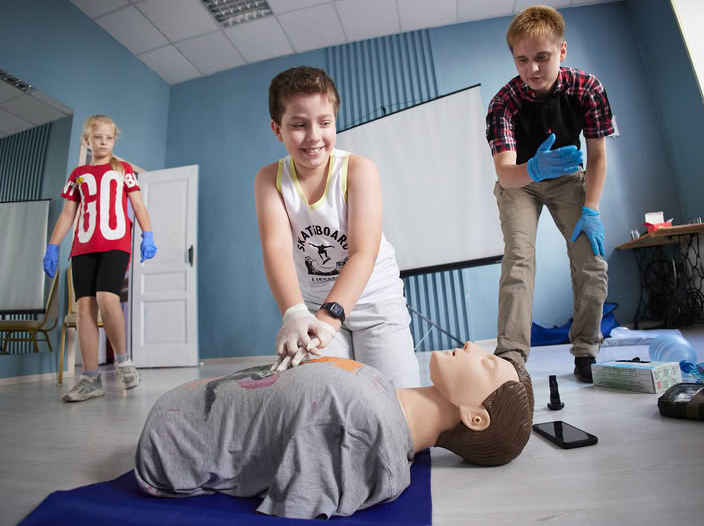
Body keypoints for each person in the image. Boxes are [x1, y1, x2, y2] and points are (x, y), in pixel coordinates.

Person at [134, 343, 534, 520]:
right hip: (179, 415)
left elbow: (298, 501)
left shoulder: (376, 441)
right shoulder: (379, 389)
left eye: (486, 365)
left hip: (170, 447)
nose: (471, 345)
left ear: (475, 417)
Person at [254, 66, 420, 387]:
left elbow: (363, 252)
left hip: (375, 304)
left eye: (324, 122)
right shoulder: (268, 179)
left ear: (335, 120)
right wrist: (294, 314)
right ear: (277, 129)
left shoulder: (359, 169)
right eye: (299, 125)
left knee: (395, 398)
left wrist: (330, 317)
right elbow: (275, 249)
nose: (314, 136)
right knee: (320, 395)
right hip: (313, 309)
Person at [485, 5, 615, 382]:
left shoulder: (588, 89)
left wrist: (591, 209)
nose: (532, 70)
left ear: (562, 50)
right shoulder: (503, 103)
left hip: (567, 176)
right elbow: (506, 174)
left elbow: (598, 154)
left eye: (542, 57)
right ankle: (511, 358)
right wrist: (534, 168)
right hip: (520, 181)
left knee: (591, 262)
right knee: (519, 261)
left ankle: (587, 350)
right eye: (522, 60)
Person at [42, 114, 157, 402]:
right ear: (87, 140)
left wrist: (148, 234)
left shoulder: (123, 170)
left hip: (115, 243)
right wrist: (53, 245)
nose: (103, 142)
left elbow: (138, 205)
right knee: (84, 309)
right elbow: (69, 213)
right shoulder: (78, 174)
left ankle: (123, 360)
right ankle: (90, 379)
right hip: (83, 247)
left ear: (113, 139)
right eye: (98, 137)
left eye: (109, 137)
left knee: (108, 299)